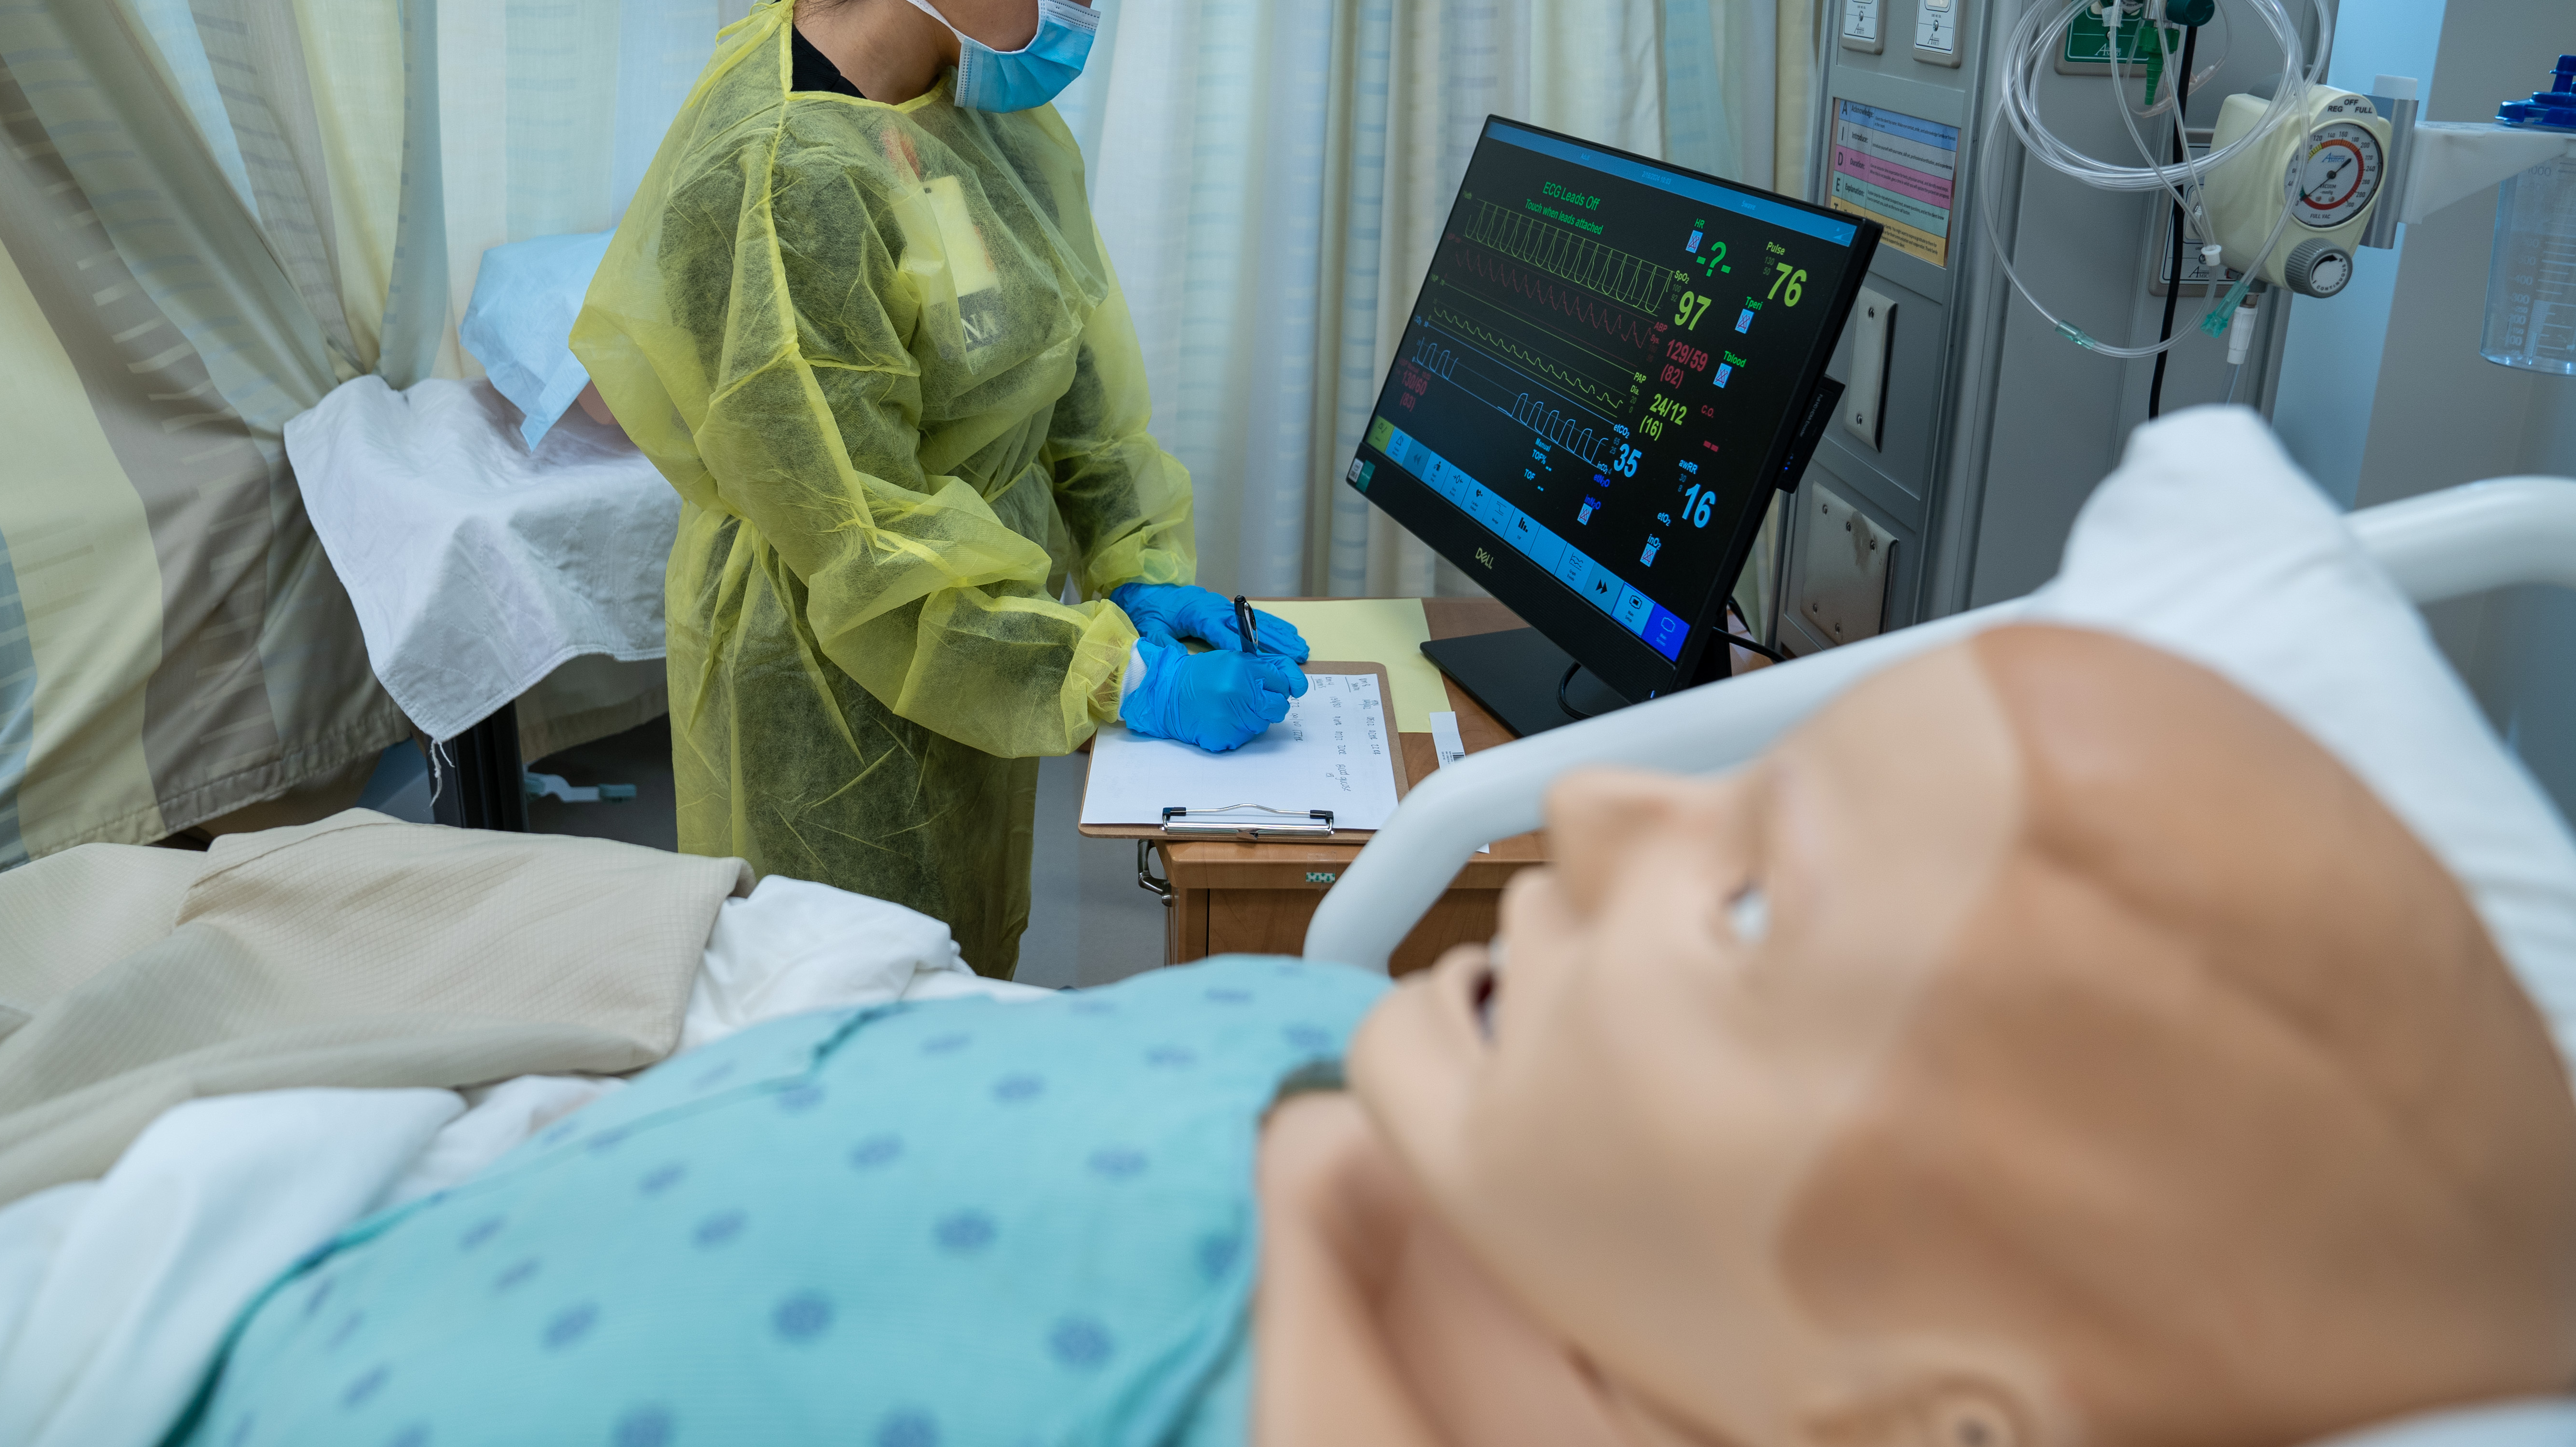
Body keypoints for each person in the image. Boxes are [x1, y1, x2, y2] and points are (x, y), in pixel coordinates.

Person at [166, 624, 2576, 1447]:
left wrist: (1329, 1225)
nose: (1610, 811)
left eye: (1755, 895)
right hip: (519, 1124)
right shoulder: (1544, 1192)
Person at [574, 0, 1307, 979]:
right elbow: (860, 534)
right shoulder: (784, 178)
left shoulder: (963, 106)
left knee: (964, 982)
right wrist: (1117, 677)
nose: (1079, 26)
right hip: (833, 694)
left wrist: (1132, 561)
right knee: (846, 1011)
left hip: (969, 648)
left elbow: (1063, 364)